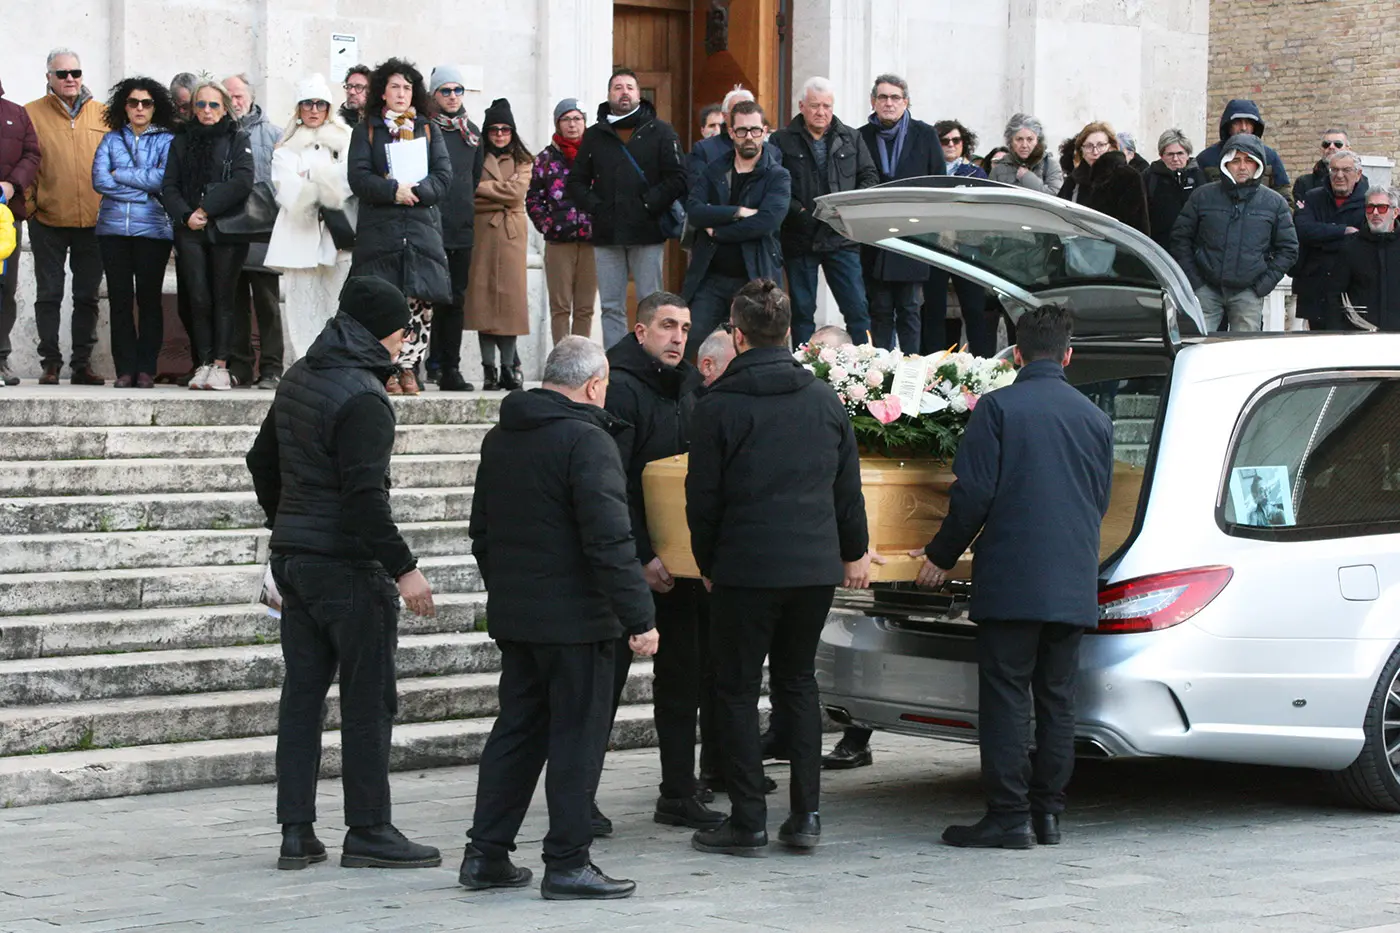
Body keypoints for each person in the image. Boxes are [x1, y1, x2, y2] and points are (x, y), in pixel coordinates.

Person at [245, 275, 441, 872]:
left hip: (295, 559)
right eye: (405, 331)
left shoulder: (301, 373)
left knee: (302, 696)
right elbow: (364, 501)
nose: (408, 340)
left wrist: (291, 522)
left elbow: (261, 462)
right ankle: (370, 829)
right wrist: (405, 569)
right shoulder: (364, 397)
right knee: (367, 698)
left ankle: (296, 833)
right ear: (386, 333)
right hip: (347, 568)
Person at [908, 305, 1113, 850]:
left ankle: (1007, 815)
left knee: (1005, 700)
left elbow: (974, 493)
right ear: (1068, 356)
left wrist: (942, 554)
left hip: (1013, 581)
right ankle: (1049, 815)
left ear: (1016, 354)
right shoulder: (1096, 419)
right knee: (1057, 702)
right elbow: (1099, 501)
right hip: (1072, 580)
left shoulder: (998, 407)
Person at [463, 336, 657, 900]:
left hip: (520, 618)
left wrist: (511, 594)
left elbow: (481, 533)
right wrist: (640, 617)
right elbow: (609, 540)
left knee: (517, 731)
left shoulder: (502, 436)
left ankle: (486, 854)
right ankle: (568, 861)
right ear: (595, 385)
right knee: (577, 738)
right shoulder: (587, 441)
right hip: (579, 622)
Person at [687, 280, 872, 858]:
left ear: (737, 337)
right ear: (789, 333)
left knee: (738, 688)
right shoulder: (822, 399)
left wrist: (708, 561)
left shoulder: (718, 405)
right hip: (813, 565)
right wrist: (854, 550)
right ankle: (806, 815)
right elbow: (848, 487)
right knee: (797, 682)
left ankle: (747, 819)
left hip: (745, 565)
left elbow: (704, 498)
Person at [600, 290, 724, 833]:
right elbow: (613, 484)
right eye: (667, 326)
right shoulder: (619, 389)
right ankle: (577, 796)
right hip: (630, 565)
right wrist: (642, 555)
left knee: (685, 679)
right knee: (602, 687)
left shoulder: (690, 387)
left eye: (685, 327)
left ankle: (678, 789)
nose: (678, 337)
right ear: (640, 331)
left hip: (685, 567)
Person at [347, 57, 453, 396]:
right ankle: (384, 369)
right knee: (384, 301)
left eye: (407, 87)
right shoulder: (366, 129)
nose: (401, 93)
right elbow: (358, 178)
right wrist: (394, 190)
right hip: (381, 231)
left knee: (420, 304)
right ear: (382, 92)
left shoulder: (427, 128)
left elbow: (443, 176)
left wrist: (418, 192)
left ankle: (409, 368)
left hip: (420, 229)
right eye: (395, 86)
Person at [565, 67, 687, 349]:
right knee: (610, 306)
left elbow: (679, 177)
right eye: (618, 87)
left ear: (638, 93)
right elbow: (576, 182)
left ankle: (650, 360)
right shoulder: (595, 135)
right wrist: (597, 207)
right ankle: (617, 365)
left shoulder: (661, 131)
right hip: (607, 234)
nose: (624, 92)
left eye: (629, 87)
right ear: (609, 94)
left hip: (647, 231)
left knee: (651, 304)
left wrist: (649, 202)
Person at [770, 76, 878, 347]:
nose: (821, 112)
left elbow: (869, 177)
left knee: (857, 310)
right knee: (803, 313)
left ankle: (868, 368)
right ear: (801, 106)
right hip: (799, 236)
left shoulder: (851, 137)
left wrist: (848, 209)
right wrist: (803, 213)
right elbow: (775, 185)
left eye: (827, 106)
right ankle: (801, 370)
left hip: (841, 236)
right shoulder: (782, 140)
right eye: (815, 105)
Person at [161, 80, 254, 391]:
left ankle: (221, 364)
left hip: (225, 229)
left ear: (224, 107)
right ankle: (203, 361)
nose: (207, 111)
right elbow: (169, 185)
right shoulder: (181, 140)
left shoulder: (236, 137)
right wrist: (187, 215)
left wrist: (205, 210)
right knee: (198, 297)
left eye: (214, 105)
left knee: (223, 297)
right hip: (189, 229)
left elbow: (243, 181)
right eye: (200, 104)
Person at [681, 101, 790, 359]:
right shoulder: (714, 169)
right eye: (741, 131)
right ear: (730, 133)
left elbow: (766, 222)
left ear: (765, 131)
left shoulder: (777, 176)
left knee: (760, 348)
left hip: (756, 278)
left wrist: (719, 231)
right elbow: (695, 210)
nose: (749, 137)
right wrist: (736, 212)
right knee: (693, 345)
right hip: (711, 276)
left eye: (755, 130)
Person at [26, 48, 108, 386]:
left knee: (87, 296)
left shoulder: (105, 114)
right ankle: (50, 363)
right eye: (62, 74)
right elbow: (24, 161)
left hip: (94, 222)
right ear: (49, 78)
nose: (70, 79)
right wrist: (31, 206)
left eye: (75, 72)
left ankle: (81, 364)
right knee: (49, 294)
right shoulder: (30, 114)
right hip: (47, 219)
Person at [265, 73, 355, 364]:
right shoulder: (286, 147)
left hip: (336, 236)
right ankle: (306, 364)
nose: (314, 110)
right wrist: (323, 180)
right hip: (299, 235)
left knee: (335, 302)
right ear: (298, 108)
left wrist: (311, 178)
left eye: (320, 104)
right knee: (301, 305)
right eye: (308, 104)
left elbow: (349, 180)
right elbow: (288, 188)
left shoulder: (344, 141)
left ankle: (337, 363)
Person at [92, 76, 176, 389]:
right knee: (120, 300)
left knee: (149, 300)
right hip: (112, 230)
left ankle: (146, 369)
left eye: (146, 103)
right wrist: (142, 191)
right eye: (133, 102)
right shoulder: (111, 140)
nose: (139, 108)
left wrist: (122, 176)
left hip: (153, 231)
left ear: (156, 107)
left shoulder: (168, 141)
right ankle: (125, 368)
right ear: (123, 107)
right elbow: (100, 180)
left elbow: (163, 180)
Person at [1170, 134, 1299, 333]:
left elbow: (1289, 249)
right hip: (1206, 289)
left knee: (1244, 353)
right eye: (1235, 160)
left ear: (1258, 165)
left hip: (1248, 292)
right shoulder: (1203, 196)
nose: (1242, 166)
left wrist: (1262, 286)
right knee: (1195, 346)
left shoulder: (1274, 203)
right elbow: (1180, 239)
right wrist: (1196, 282)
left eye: (1249, 160)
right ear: (1225, 163)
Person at [859, 74, 945, 353]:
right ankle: (881, 372)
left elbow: (939, 181)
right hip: (875, 236)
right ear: (873, 102)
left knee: (909, 309)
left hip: (913, 234)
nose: (889, 103)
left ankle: (911, 374)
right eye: (882, 97)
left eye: (895, 97)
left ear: (906, 102)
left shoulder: (925, 134)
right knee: (880, 310)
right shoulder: (860, 136)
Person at [465, 98, 531, 392]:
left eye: (505, 129)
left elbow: (518, 194)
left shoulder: (524, 159)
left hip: (512, 236)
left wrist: (484, 190)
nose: (500, 135)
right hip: (483, 235)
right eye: (494, 130)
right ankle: (489, 370)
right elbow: (470, 190)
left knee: (510, 305)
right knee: (484, 304)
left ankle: (509, 368)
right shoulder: (475, 156)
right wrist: (498, 192)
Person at [224, 73, 285, 389]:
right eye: (229, 95)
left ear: (250, 97)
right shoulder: (219, 132)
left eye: (239, 95)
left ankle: (273, 368)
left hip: (264, 231)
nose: (235, 101)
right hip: (229, 231)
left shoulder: (275, 134)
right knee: (234, 305)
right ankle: (242, 367)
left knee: (267, 304)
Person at [426, 65, 484, 391]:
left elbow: (473, 179)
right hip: (430, 226)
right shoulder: (424, 129)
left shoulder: (472, 133)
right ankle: (415, 365)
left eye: (457, 90)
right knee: (423, 299)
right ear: (434, 95)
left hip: (461, 229)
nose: (452, 97)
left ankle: (451, 368)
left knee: (454, 301)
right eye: (445, 91)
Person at [528, 98, 595, 345]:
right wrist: (548, 224)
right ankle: (561, 361)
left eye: (577, 118)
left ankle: (581, 361)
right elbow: (533, 197)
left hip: (591, 240)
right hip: (558, 242)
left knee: (585, 308)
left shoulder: (595, 155)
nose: (572, 124)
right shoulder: (545, 158)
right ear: (557, 123)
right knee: (560, 308)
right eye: (566, 119)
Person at [926, 119, 994, 357]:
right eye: (944, 141)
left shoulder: (976, 172)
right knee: (933, 309)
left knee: (974, 309)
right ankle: (932, 363)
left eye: (956, 140)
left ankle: (982, 364)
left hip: (967, 246)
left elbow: (983, 212)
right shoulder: (929, 170)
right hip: (934, 245)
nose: (951, 145)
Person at [1293, 147, 1369, 330]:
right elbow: (1302, 230)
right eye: (1334, 170)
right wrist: (1342, 231)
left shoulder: (1369, 202)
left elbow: (1363, 240)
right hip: (1316, 287)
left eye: (1346, 170)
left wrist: (1322, 238)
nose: (1339, 175)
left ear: (1358, 174)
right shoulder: (1313, 197)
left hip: (1353, 289)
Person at [0, 78, 41, 386]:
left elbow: (31, 154)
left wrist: (12, 183)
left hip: (5, 215)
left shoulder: (16, 113)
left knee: (4, 288)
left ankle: (0, 357)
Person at [1328, 185, 1400, 332]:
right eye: (1370, 208)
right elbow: (1334, 295)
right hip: (1360, 335)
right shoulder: (1350, 247)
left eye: (1382, 208)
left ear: (1395, 212)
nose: (1375, 213)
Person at [1057, 121, 1149, 234]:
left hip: (1116, 248)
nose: (1095, 152)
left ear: (1110, 147)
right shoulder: (1074, 181)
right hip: (1077, 247)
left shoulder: (1128, 177)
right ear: (1081, 149)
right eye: (1088, 146)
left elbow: (1137, 228)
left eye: (1101, 145)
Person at [1196, 99, 1290, 199]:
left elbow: (1284, 198)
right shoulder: (1206, 158)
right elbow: (1195, 199)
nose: (1243, 128)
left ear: (1255, 126)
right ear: (1228, 126)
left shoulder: (1270, 157)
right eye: (1237, 123)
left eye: (1248, 123)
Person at [1144, 129, 1206, 251]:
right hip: (1159, 248)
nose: (1176, 159)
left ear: (1188, 154)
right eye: (1170, 154)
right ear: (1161, 155)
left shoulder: (1200, 177)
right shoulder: (1149, 178)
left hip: (1193, 248)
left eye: (1180, 153)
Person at [987, 114, 1062, 195]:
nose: (1024, 145)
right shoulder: (999, 168)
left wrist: (1027, 177)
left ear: (1038, 141)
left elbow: (1055, 196)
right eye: (1019, 139)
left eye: (1029, 139)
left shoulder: (1050, 165)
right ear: (1010, 141)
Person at [1293, 128, 1351, 209]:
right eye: (1326, 144)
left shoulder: (1358, 180)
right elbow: (1301, 217)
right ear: (1322, 149)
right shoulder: (1304, 183)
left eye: (1338, 144)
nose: (1331, 147)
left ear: (1348, 149)